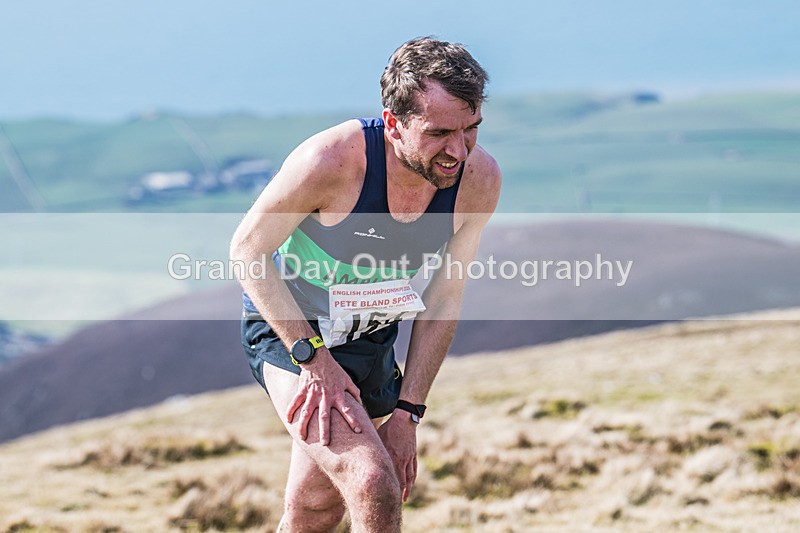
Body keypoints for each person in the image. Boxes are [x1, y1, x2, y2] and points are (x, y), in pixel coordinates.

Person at [230, 36, 501, 532]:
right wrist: (314, 359)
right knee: (373, 482)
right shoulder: (329, 162)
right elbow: (248, 250)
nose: (458, 151)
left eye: (472, 129)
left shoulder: (478, 181)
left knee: (316, 506)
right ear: (393, 124)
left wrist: (409, 412)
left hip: (370, 336)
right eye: (439, 133)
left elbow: (444, 297)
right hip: (293, 331)